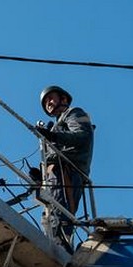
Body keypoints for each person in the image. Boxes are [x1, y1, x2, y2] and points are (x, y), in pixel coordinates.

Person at [32, 84, 94, 251]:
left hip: (68, 172)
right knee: (49, 218)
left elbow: (82, 136)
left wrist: (53, 135)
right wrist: (39, 178)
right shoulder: (54, 126)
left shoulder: (74, 113)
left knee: (59, 217)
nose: (48, 103)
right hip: (55, 174)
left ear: (63, 99)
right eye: (45, 102)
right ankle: (57, 249)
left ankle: (61, 252)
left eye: (51, 98)